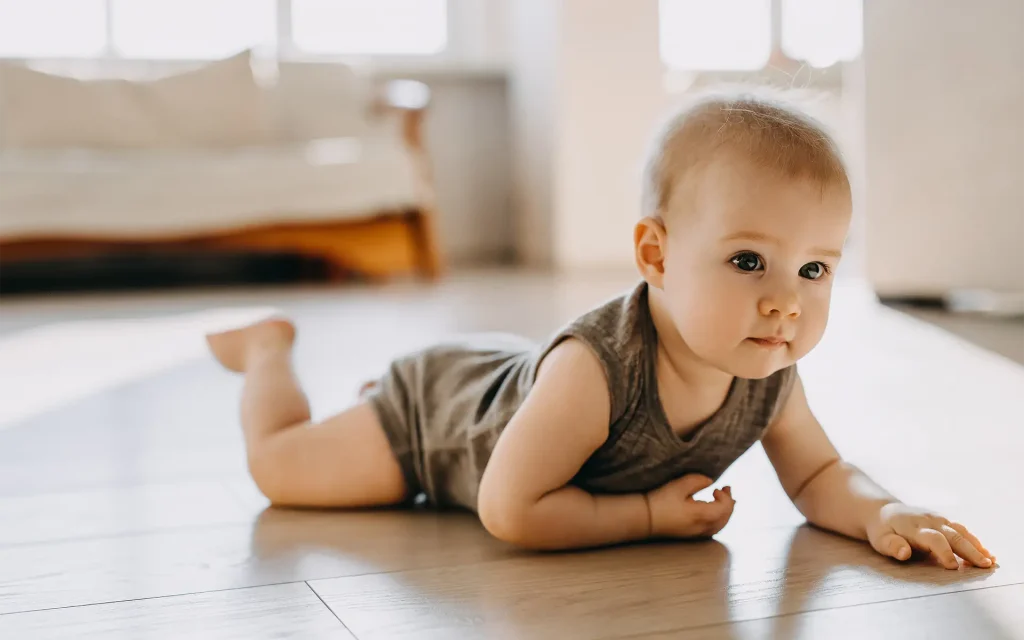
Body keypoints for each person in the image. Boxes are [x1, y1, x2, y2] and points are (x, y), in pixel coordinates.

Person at [207, 91, 994, 569]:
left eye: (815, 270)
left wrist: (882, 512)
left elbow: (820, 476)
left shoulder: (769, 371)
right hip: (434, 422)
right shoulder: (600, 371)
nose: (787, 303)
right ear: (655, 254)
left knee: (531, 404)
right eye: (750, 260)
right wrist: (647, 516)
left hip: (515, 389)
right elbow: (509, 510)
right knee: (282, 472)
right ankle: (269, 350)